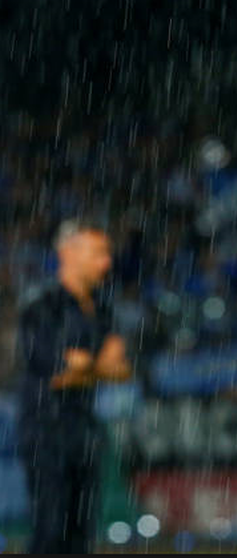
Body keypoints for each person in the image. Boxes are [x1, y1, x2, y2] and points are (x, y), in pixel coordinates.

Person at [16, 219, 132, 554]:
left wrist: (84, 365)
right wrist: (98, 368)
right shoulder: (42, 304)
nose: (106, 262)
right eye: (98, 253)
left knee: (80, 533)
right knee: (50, 528)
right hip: (44, 429)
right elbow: (53, 370)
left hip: (83, 427)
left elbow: (121, 369)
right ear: (67, 252)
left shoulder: (102, 307)